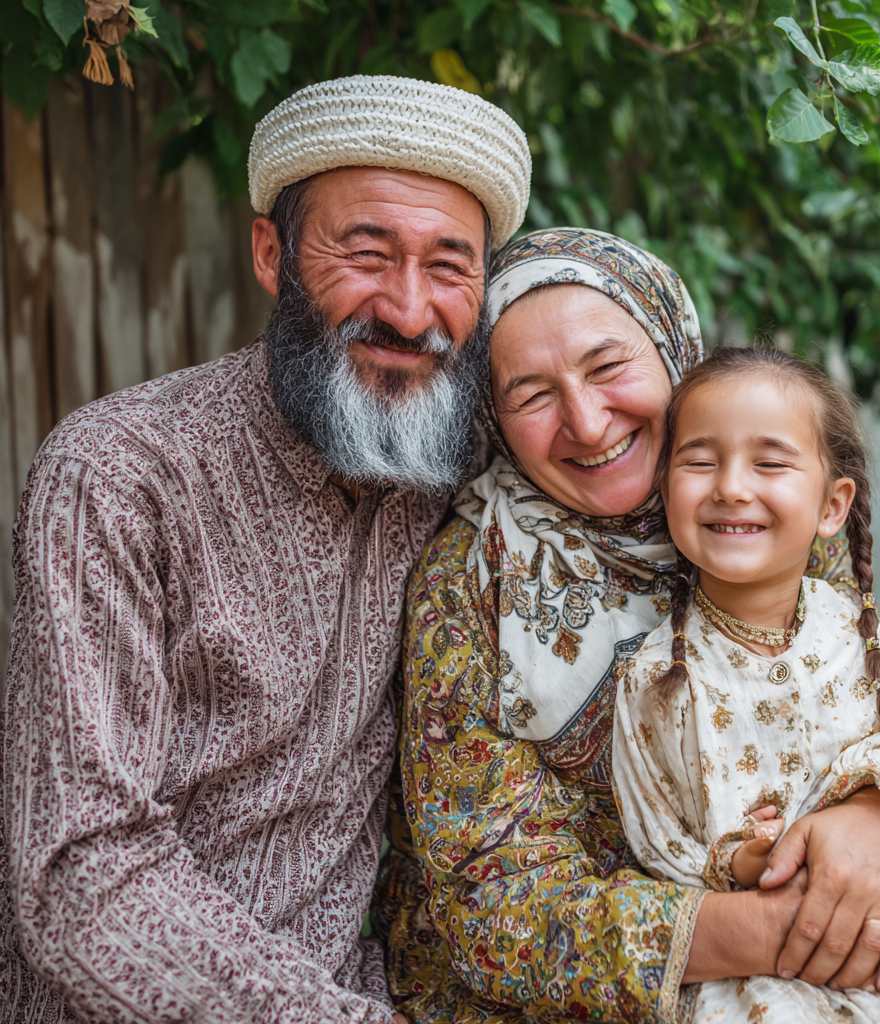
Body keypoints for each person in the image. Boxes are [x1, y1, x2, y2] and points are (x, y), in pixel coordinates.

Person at [0, 75, 530, 1023]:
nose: (409, 312)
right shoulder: (120, 476)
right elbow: (81, 873)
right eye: (365, 253)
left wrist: (877, 786)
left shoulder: (479, 453)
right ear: (270, 252)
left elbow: (701, 503)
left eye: (450, 267)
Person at [378, 227, 880, 1024]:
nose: (588, 423)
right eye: (531, 394)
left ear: (672, 356)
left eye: (609, 369)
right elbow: (496, 911)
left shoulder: (752, 521)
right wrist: (786, 933)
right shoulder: (470, 583)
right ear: (490, 417)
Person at [613, 346, 880, 1022]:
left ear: (833, 505)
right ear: (665, 491)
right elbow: (658, 841)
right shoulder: (658, 678)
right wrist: (746, 861)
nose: (731, 487)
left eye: (769, 463)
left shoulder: (858, 636)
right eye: (700, 461)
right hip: (748, 975)